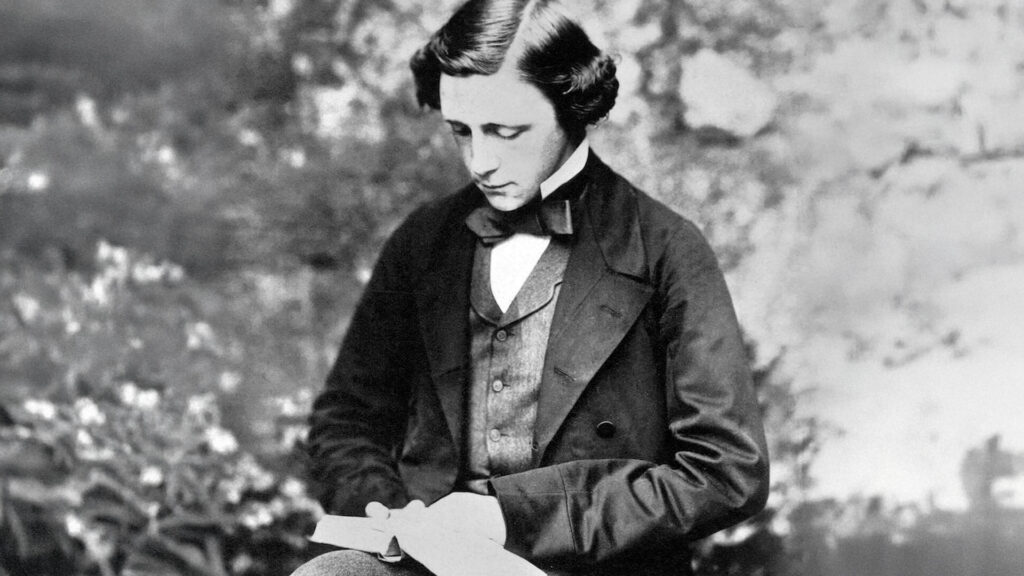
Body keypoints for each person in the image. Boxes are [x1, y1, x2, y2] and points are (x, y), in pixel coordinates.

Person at [294, 1, 768, 574]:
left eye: (506, 131)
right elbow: (347, 418)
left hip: (591, 561)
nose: (481, 161)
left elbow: (724, 471)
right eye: (461, 132)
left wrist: (511, 516)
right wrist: (389, 511)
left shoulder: (666, 249)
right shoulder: (424, 241)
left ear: (573, 108)